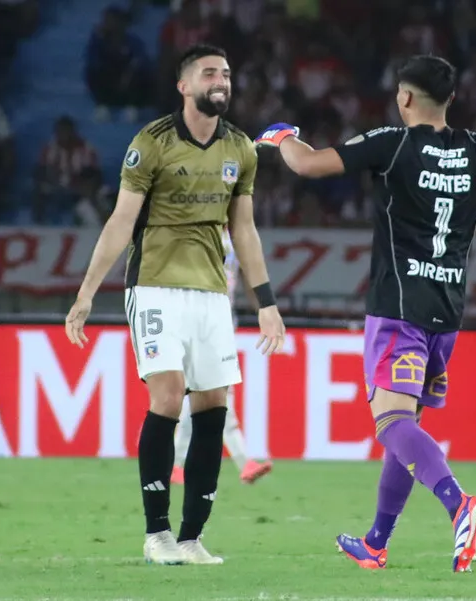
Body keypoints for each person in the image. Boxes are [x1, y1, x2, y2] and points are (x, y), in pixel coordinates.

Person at [255, 54, 476, 573]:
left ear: (405, 97)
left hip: (398, 307)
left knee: (391, 422)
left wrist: (281, 136)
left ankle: (459, 504)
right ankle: (376, 542)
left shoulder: (392, 142)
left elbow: (308, 164)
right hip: (447, 308)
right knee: (407, 424)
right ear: (450, 99)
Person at [64, 44, 286, 567]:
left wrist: (266, 303)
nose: (222, 81)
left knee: (213, 408)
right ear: (184, 86)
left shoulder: (242, 150)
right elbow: (121, 221)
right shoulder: (152, 143)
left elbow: (245, 229)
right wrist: (86, 292)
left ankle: (191, 538)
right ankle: (156, 534)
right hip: (156, 284)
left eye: (227, 74)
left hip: (211, 292)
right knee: (167, 398)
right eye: (210, 73)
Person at [172, 226, 274, 486]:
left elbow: (249, 280)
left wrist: (264, 311)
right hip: (201, 324)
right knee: (214, 395)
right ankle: (243, 462)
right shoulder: (200, 229)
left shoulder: (237, 235)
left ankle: (175, 464)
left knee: (200, 396)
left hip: (223, 325)